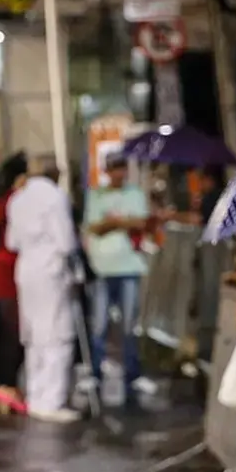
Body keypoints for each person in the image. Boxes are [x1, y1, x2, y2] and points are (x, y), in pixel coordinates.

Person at [6, 158, 80, 423]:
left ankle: (36, 393)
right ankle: (52, 399)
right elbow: (66, 242)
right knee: (59, 334)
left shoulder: (18, 198)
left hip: (26, 270)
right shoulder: (55, 197)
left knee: (33, 334)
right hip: (51, 270)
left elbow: (11, 241)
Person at [82, 153, 150, 407]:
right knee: (99, 325)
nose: (118, 173)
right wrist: (120, 222)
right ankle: (95, 373)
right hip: (101, 268)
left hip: (129, 267)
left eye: (121, 168)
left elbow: (141, 222)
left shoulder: (135, 194)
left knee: (129, 324)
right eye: (114, 169)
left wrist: (114, 222)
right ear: (107, 171)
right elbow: (94, 227)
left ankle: (132, 374)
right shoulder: (96, 195)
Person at [0, 153, 30, 410]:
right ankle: (4, 388)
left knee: (4, 338)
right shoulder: (11, 201)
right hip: (7, 280)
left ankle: (0, 387)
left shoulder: (1, 200)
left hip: (3, 280)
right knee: (10, 339)